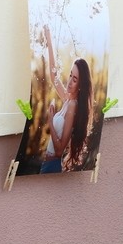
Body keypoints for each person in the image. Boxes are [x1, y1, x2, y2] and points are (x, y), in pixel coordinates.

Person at [40, 24, 93, 174]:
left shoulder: (72, 106)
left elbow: (59, 150)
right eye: (70, 75)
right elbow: (53, 76)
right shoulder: (67, 100)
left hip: (52, 166)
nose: (69, 82)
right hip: (47, 164)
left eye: (75, 79)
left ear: (81, 84)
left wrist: (50, 120)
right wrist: (49, 39)